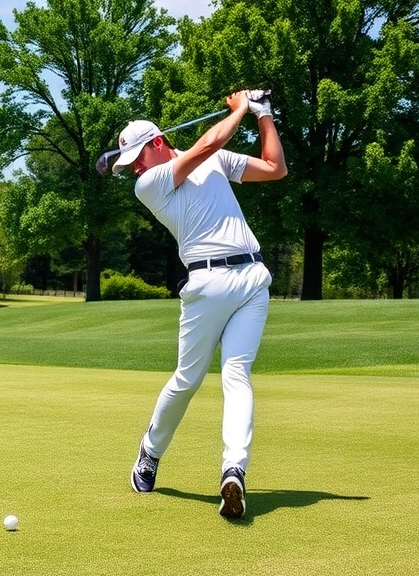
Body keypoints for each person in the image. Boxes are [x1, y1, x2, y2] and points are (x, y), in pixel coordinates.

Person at [111, 89, 287, 518]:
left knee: (236, 374)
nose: (133, 167)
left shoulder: (214, 162)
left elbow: (275, 168)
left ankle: (234, 471)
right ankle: (150, 451)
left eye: (136, 156)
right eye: (130, 164)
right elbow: (209, 143)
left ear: (156, 143)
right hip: (205, 283)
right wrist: (240, 108)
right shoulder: (149, 184)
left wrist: (263, 114)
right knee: (187, 380)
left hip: (252, 278)